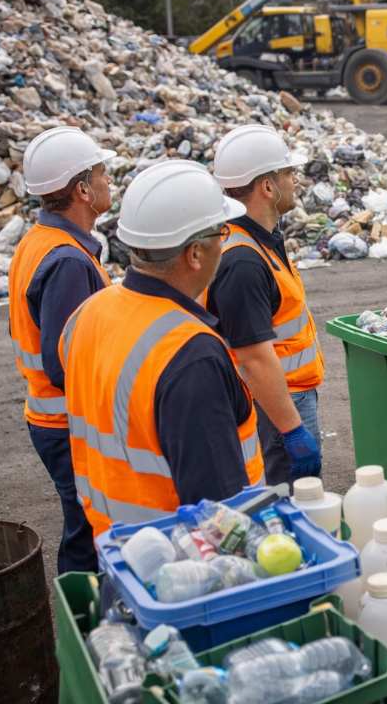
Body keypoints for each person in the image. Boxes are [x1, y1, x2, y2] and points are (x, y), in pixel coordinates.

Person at [59, 160, 264, 538]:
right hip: (185, 569)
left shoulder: (87, 314)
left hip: (118, 550)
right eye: (222, 232)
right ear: (195, 254)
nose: (226, 241)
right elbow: (222, 518)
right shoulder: (190, 355)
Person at [9, 127, 116, 573]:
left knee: (84, 527)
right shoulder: (68, 261)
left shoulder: (41, 242)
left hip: (53, 417)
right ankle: (86, 625)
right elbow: (65, 363)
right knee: (91, 533)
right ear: (82, 190)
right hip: (68, 421)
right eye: (102, 173)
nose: (110, 180)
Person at [204, 124, 324, 487]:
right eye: (289, 173)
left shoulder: (257, 241)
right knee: (288, 510)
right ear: (267, 187)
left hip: (285, 397)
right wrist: (292, 430)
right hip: (277, 405)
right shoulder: (242, 261)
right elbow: (253, 358)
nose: (296, 180)